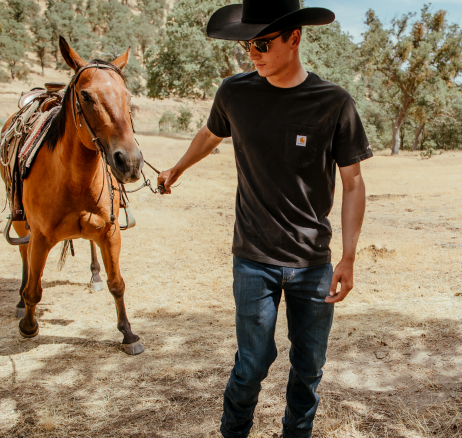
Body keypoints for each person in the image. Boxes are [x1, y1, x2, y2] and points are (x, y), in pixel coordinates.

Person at [157, 1, 371, 437]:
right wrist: (177, 168)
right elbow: (210, 133)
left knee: (309, 369)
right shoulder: (235, 94)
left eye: (261, 43)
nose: (251, 53)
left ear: (295, 38)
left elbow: (353, 184)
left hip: (313, 265)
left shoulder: (333, 103)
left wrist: (348, 258)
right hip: (252, 260)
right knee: (251, 365)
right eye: (247, 44)